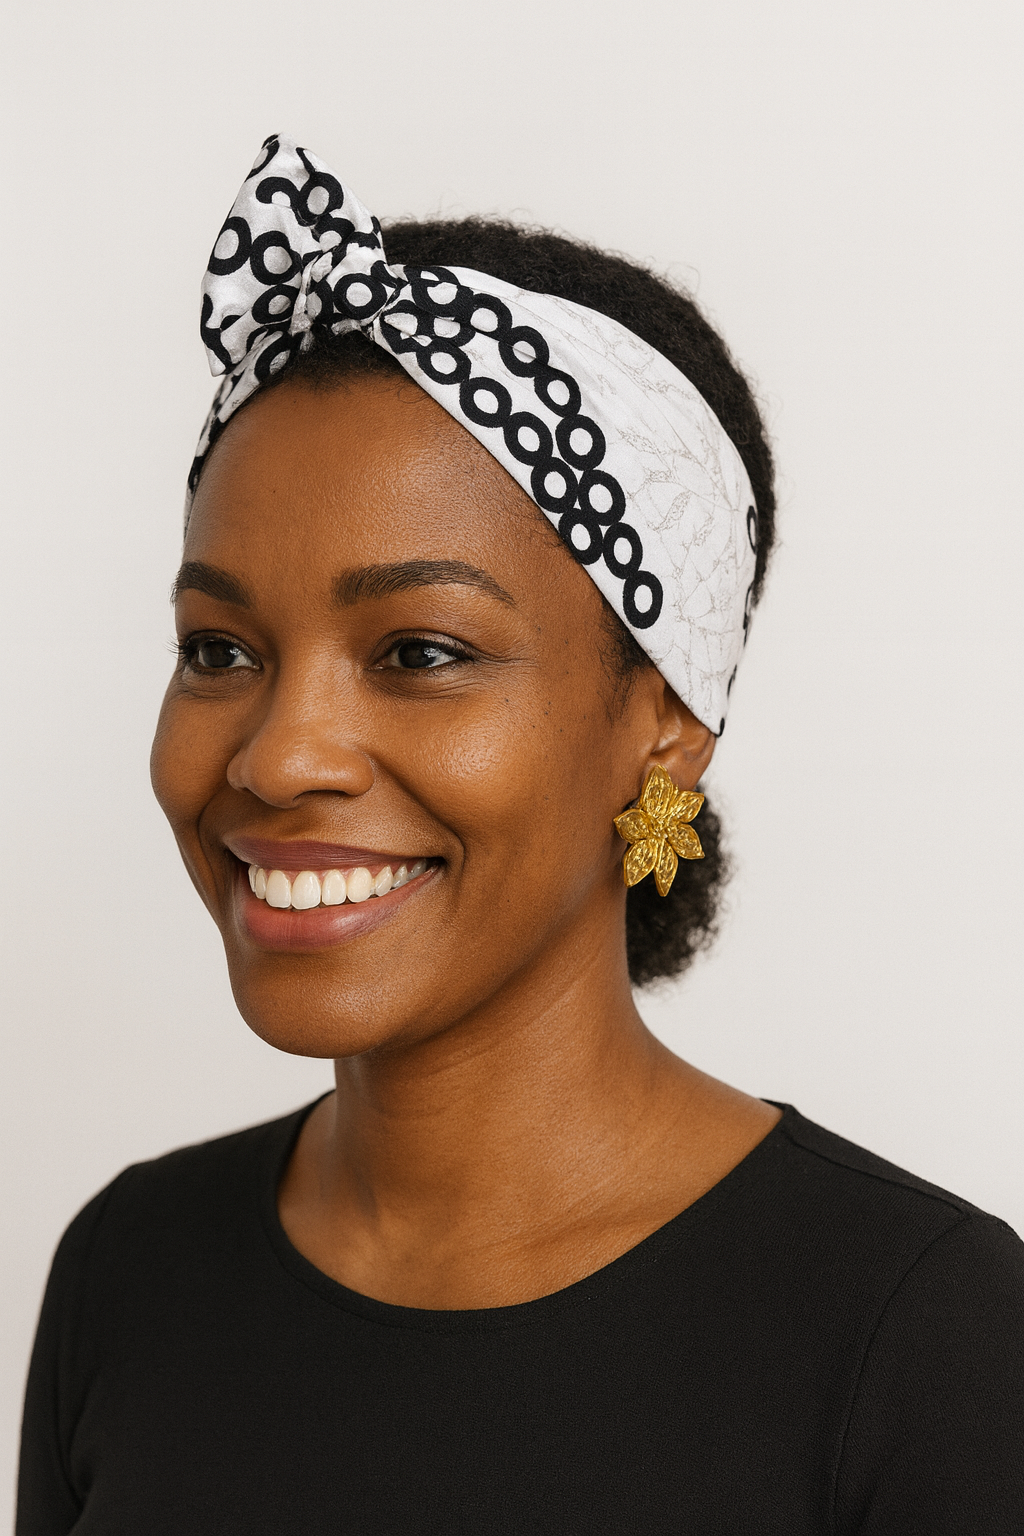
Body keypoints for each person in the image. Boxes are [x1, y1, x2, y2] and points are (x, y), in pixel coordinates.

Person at [17, 135, 1024, 1535]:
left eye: (420, 651)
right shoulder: (129, 1270)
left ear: (663, 726)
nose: (281, 754)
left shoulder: (921, 1339)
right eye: (219, 649)